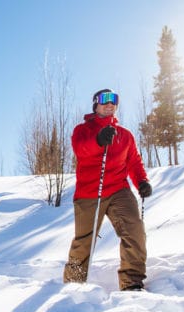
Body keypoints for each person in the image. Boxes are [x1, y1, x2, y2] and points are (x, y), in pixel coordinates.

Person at [63, 89, 152, 291]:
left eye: (114, 100)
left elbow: (134, 163)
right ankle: (73, 284)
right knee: (84, 241)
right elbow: (81, 150)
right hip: (89, 193)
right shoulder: (82, 130)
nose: (110, 104)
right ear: (96, 104)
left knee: (134, 231)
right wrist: (98, 141)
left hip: (119, 190)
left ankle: (132, 283)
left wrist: (142, 182)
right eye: (105, 100)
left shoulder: (125, 135)